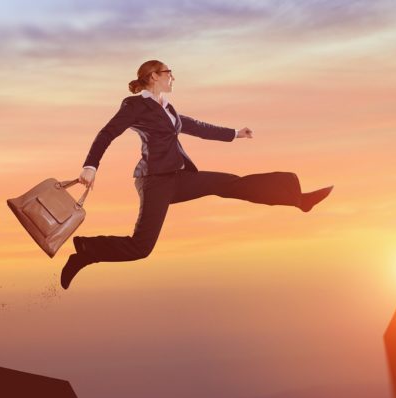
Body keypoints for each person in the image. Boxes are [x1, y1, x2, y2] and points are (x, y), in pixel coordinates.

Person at [60, 59, 333, 289]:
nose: (173, 77)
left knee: (230, 184)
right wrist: (90, 166)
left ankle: (297, 198)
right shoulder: (134, 106)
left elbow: (194, 126)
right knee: (141, 247)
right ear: (154, 76)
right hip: (154, 182)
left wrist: (234, 133)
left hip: (178, 178)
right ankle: (87, 252)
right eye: (169, 73)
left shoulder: (166, 107)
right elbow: (107, 133)